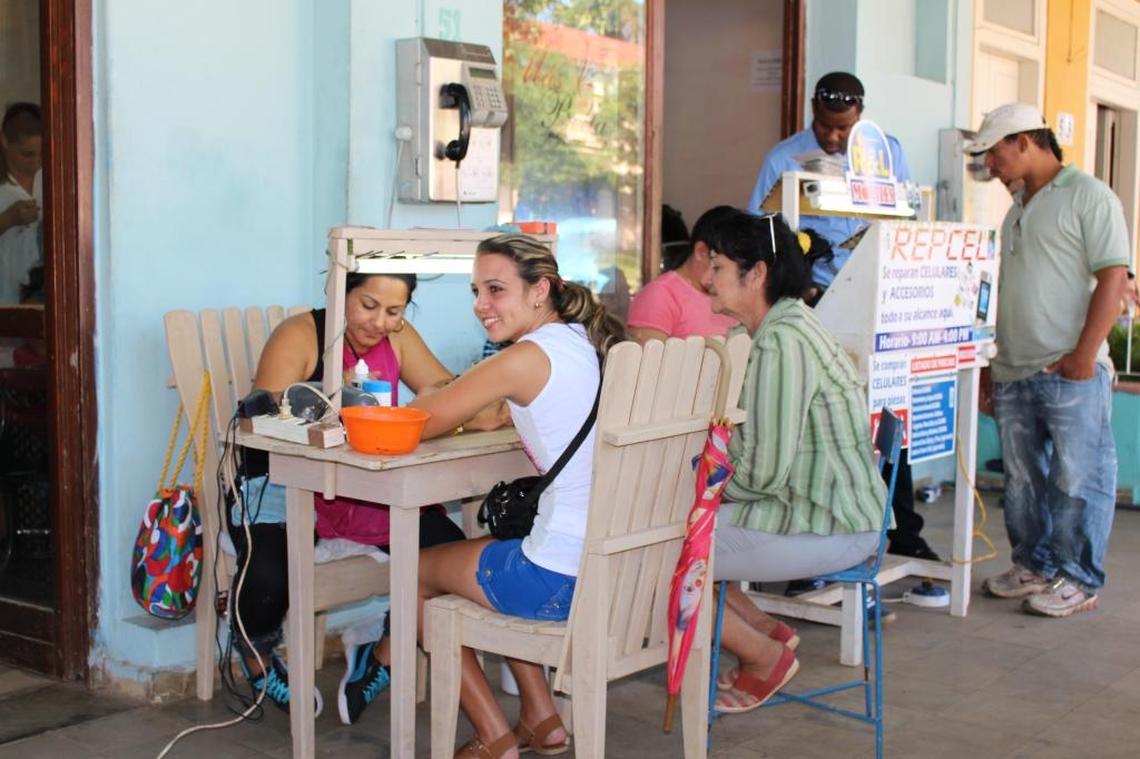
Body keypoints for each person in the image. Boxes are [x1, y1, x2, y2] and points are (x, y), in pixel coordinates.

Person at [231, 271, 508, 724]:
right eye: (368, 305)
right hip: (285, 482)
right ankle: (257, 655)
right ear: (339, 294)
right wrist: (333, 398)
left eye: (394, 311)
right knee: (266, 579)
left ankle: (381, 654)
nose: (380, 322)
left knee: (448, 553)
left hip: (365, 486)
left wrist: (465, 408)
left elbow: (442, 389)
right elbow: (270, 426)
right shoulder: (301, 335)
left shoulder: (398, 338)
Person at [409, 234, 626, 759]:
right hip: (615, 575)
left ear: (540, 290)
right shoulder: (586, 342)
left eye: (495, 289)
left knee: (415, 572)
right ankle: (541, 717)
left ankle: (492, 734)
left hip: (556, 581)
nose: (481, 305)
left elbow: (428, 419)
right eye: (476, 291)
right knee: (500, 545)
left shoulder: (524, 357)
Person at [700, 209, 886, 713]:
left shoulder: (782, 341)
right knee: (678, 531)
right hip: (823, 509)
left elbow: (762, 473)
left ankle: (764, 656)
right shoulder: (782, 327)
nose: (705, 279)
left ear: (756, 272)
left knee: (661, 551)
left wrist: (701, 481)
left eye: (716, 267)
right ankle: (762, 629)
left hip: (833, 524)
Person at [747, 71, 935, 565]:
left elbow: (910, 215)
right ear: (813, 110)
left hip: (880, 300)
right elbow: (760, 230)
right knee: (821, 416)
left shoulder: (887, 152)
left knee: (889, 411)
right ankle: (814, 537)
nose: (833, 138)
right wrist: (798, 262)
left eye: (843, 129)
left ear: (861, 116)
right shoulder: (783, 157)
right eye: (825, 126)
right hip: (819, 300)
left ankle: (901, 527)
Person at [969, 103, 1129, 618]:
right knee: (1022, 481)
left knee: (1078, 478)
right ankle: (1034, 566)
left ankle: (1079, 579)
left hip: (1068, 371)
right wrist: (992, 367)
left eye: (993, 153)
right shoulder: (1017, 208)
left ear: (1024, 141)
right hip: (1015, 369)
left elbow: (1113, 278)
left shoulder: (1089, 196)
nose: (989, 165)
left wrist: (1085, 355)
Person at [627, 205, 739, 342]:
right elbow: (648, 361)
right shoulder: (659, 295)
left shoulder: (734, 295)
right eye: (720, 265)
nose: (734, 274)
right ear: (701, 251)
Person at [0, 102, 43, 304]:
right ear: (5, 141)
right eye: (27, 155)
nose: (36, 162)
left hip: (43, 302)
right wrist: (6, 220)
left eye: (43, 154)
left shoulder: (53, 179)